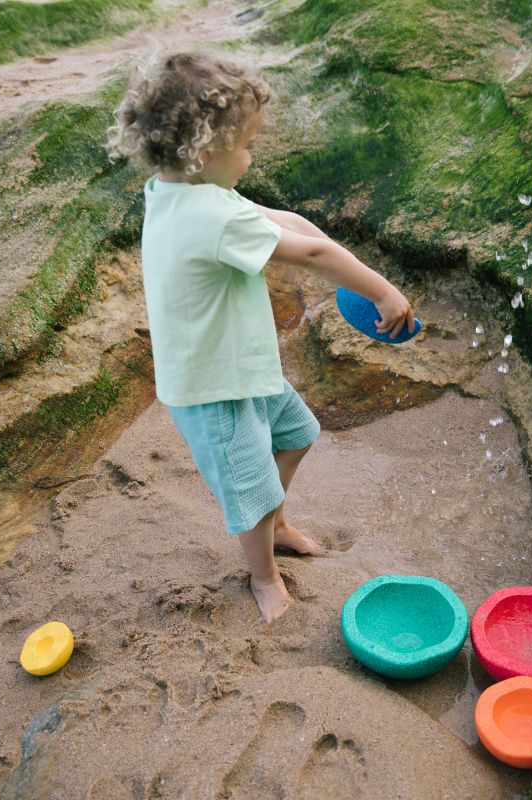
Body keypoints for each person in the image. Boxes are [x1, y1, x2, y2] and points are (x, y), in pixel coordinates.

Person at [106, 51, 414, 623]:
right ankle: (263, 575)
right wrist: (381, 291)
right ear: (203, 150)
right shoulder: (207, 216)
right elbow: (313, 254)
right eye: (246, 144)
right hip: (213, 384)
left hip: (240, 363)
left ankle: (275, 524)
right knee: (249, 488)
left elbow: (287, 224)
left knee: (298, 431)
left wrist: (331, 249)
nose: (251, 156)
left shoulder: (182, 190)